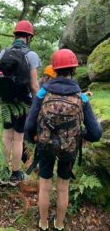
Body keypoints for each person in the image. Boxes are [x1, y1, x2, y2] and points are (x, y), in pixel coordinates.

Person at [24, 49, 102, 230]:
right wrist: (81, 136)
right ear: (73, 70)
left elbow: (29, 125)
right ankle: (59, 224)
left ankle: (43, 223)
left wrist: (34, 138)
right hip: (69, 148)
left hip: (45, 146)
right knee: (63, 187)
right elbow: (96, 133)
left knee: (44, 186)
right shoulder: (80, 96)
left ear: (55, 69)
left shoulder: (43, 93)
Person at [0, 20, 41, 186]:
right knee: (18, 139)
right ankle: (16, 174)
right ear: (29, 36)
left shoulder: (4, 53)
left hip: (5, 101)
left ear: (15, 34)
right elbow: (34, 85)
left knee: (6, 136)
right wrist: (38, 104)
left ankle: (3, 172)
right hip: (22, 102)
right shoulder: (31, 55)